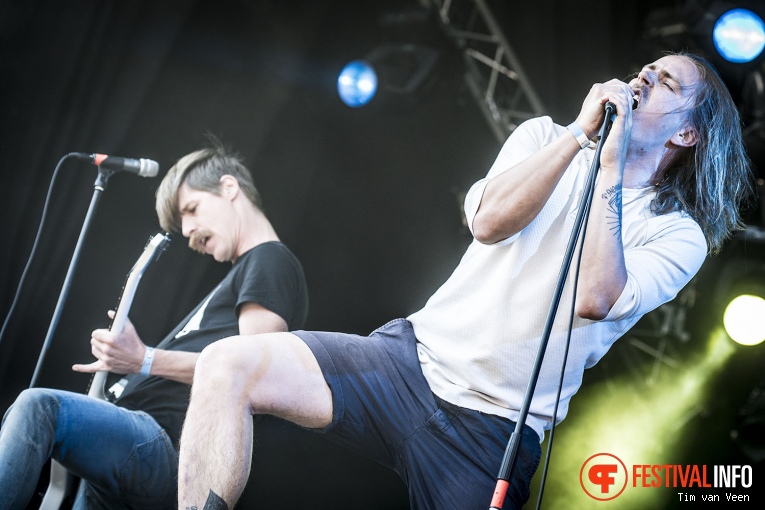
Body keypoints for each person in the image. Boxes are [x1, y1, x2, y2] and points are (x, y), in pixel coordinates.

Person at [176, 52, 755, 510]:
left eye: (666, 84)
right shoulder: (545, 138)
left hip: (492, 431)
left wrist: (610, 172)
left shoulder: (680, 236)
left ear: (688, 136)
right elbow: (487, 222)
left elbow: (596, 299)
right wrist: (579, 138)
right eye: (644, 72)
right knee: (226, 364)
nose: (643, 81)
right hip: (406, 364)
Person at [0, 143, 309, 509]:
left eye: (192, 209)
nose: (190, 230)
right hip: (136, 443)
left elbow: (253, 375)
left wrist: (144, 360)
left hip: (164, 445)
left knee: (39, 408)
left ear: (229, 188)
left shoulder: (270, 260)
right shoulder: (246, 271)